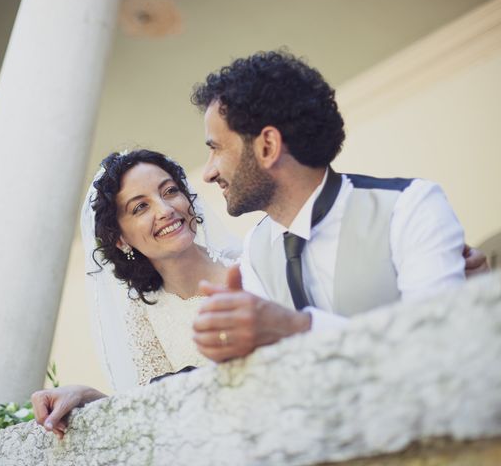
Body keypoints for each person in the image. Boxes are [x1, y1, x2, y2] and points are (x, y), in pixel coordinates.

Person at [190, 49, 487, 363]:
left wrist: (298, 328)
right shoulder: (255, 249)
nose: (208, 172)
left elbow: (442, 346)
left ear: (268, 146)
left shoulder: (409, 207)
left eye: (216, 149)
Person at [32, 149, 239, 438]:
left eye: (170, 191)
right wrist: (89, 397)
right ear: (120, 239)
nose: (165, 210)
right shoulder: (144, 316)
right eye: (140, 207)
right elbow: (155, 412)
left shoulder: (248, 266)